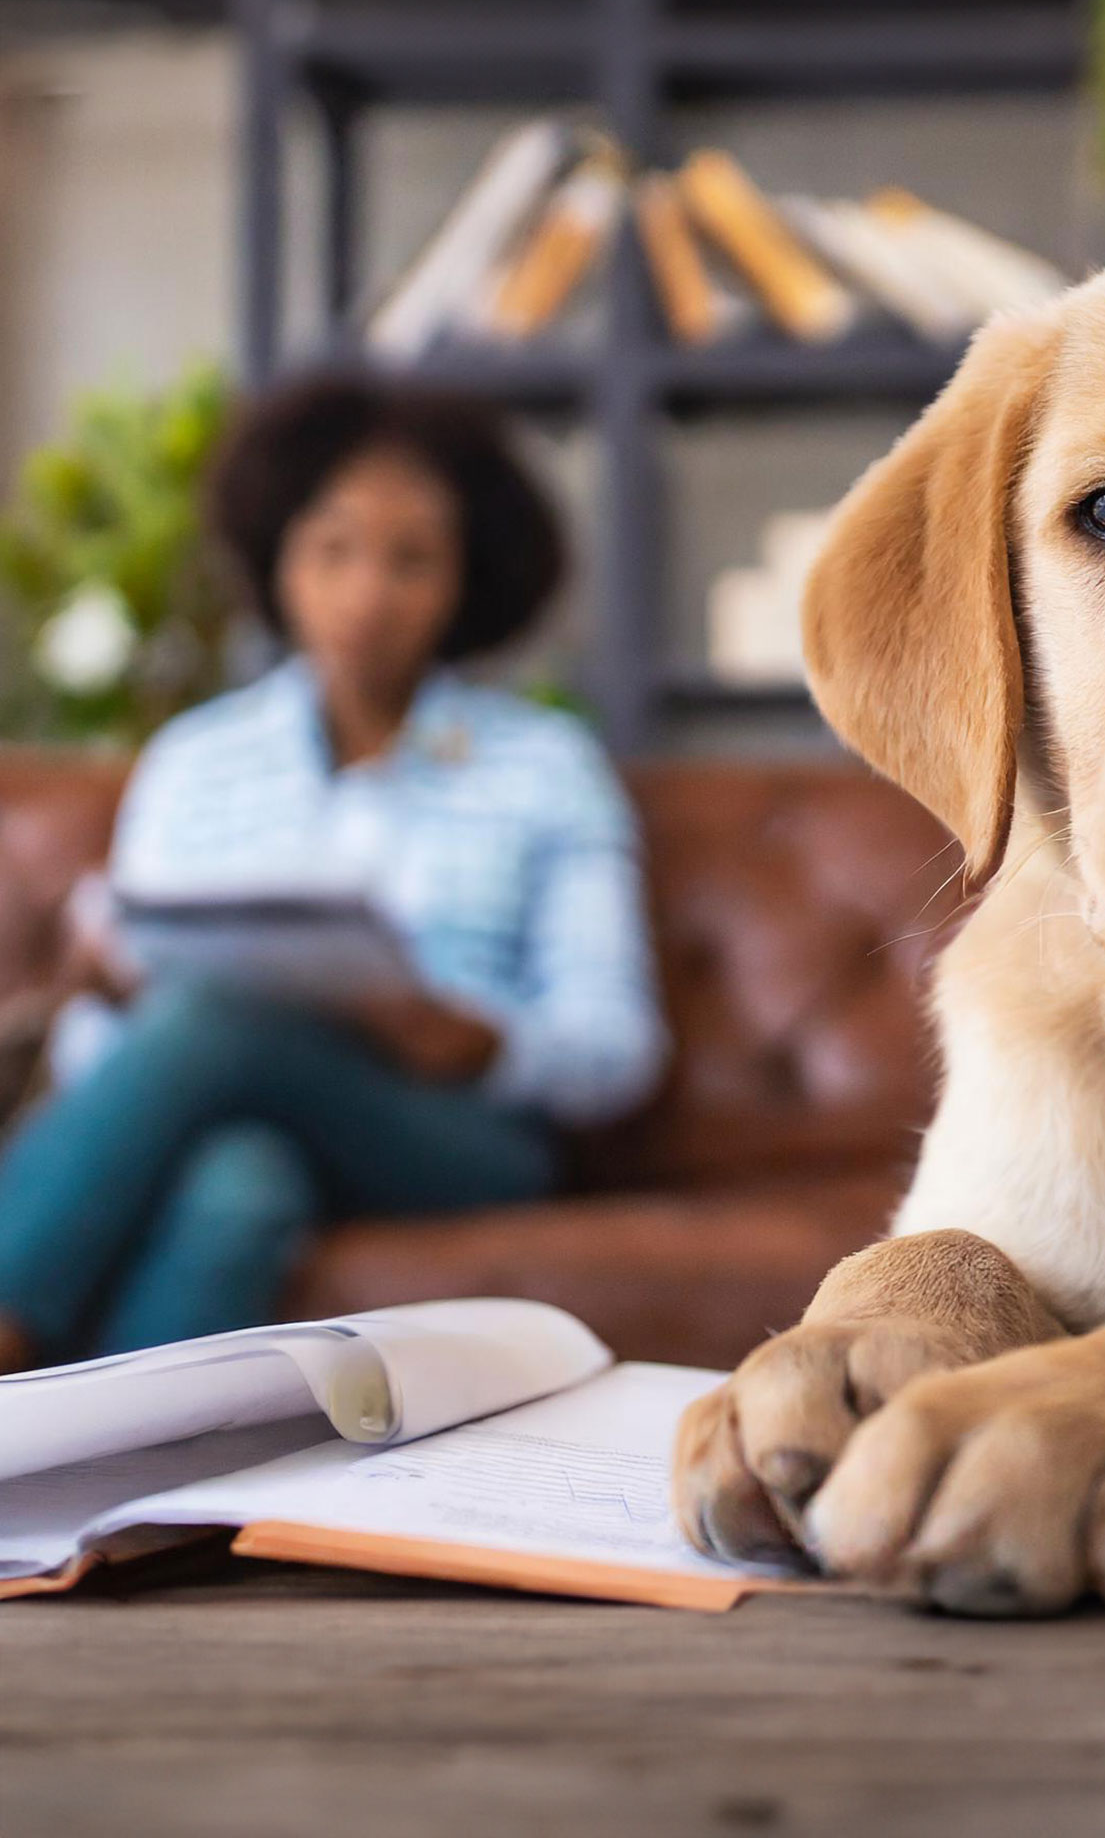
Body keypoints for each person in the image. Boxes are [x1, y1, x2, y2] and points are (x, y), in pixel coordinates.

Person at [0, 376, 666, 1370]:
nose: (367, 593)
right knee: (238, 1182)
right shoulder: (195, 759)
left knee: (211, 1018)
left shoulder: (545, 766)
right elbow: (114, 1065)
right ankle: (109, 1511)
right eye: (334, 548)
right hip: (231, 1106)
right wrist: (109, 994)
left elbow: (618, 1048)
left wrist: (479, 1042)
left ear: (466, 577)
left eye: (412, 559)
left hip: (453, 1135)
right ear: (281, 558)